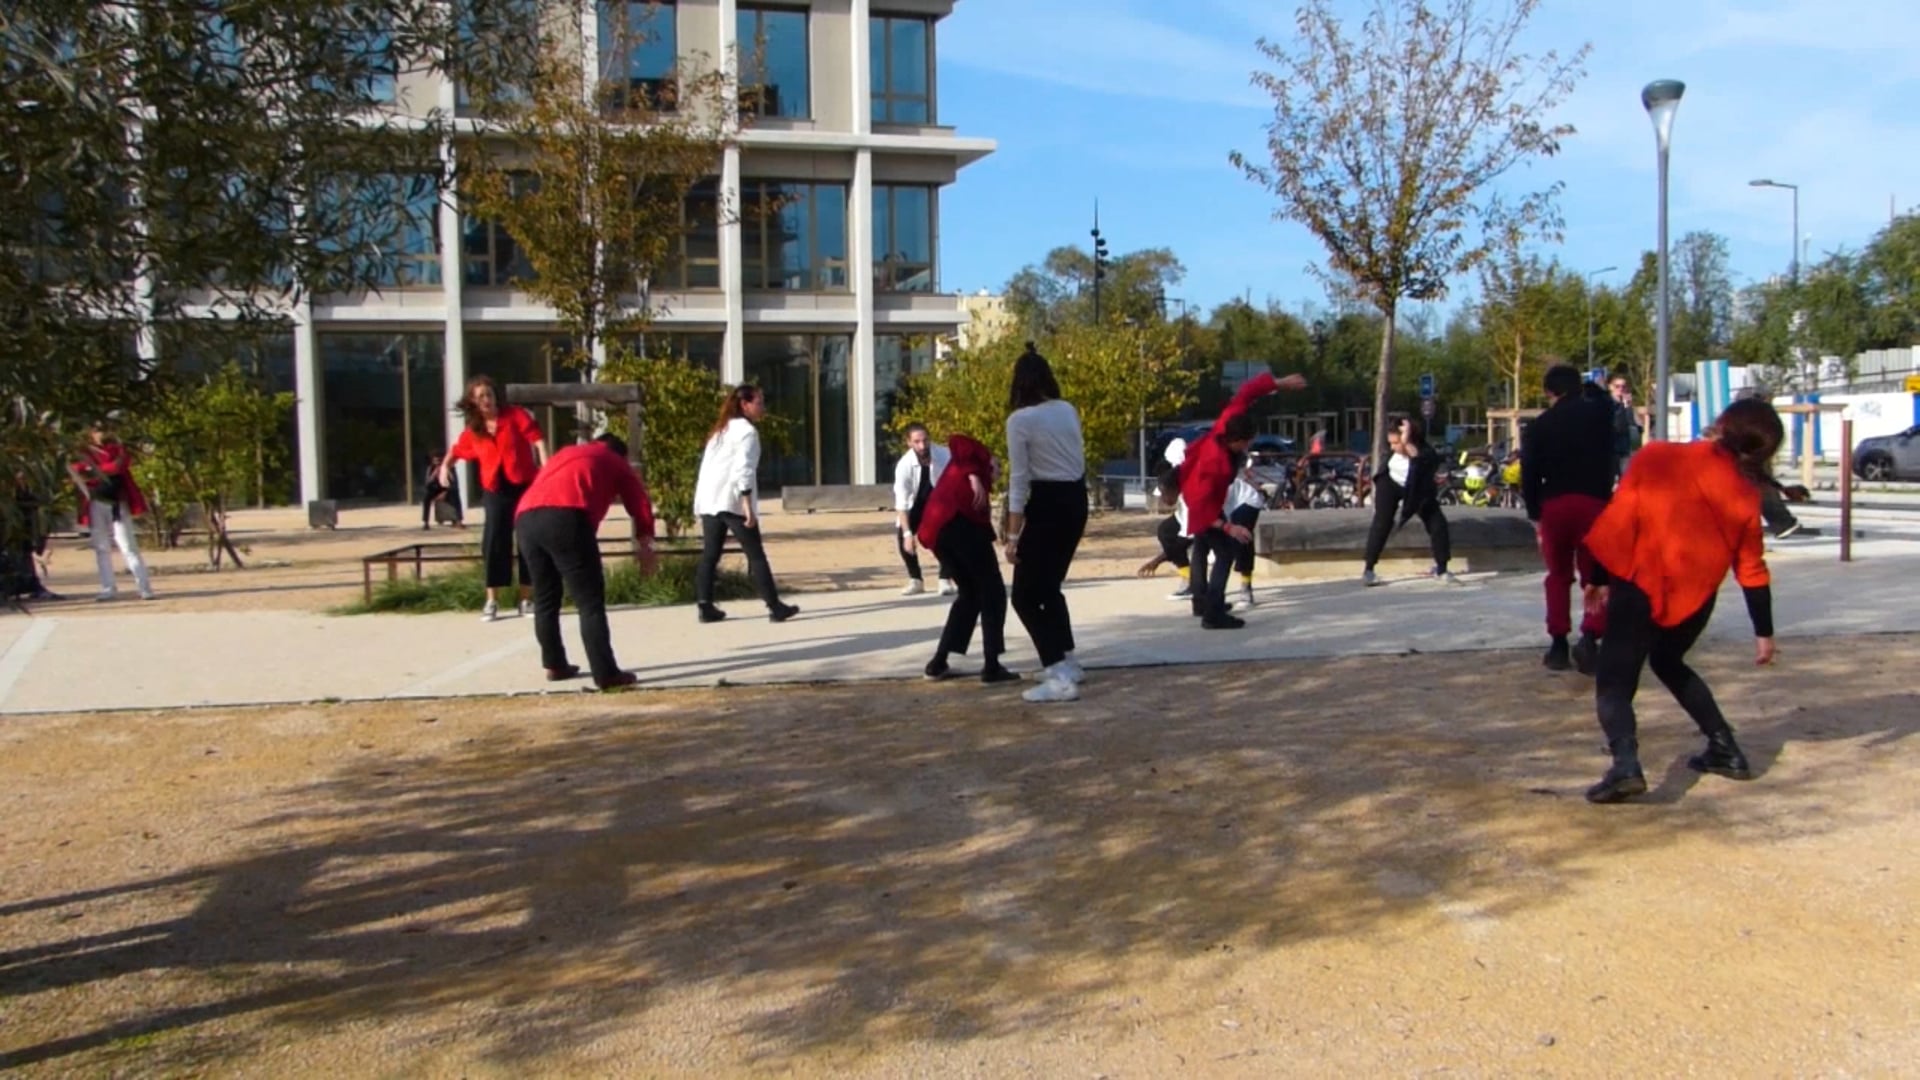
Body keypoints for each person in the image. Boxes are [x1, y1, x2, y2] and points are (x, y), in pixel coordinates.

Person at [1579, 398, 1783, 804]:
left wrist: (1598, 578)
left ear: (1721, 424)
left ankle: (1625, 764)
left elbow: (1619, 521)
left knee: (1615, 682)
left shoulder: (1657, 457)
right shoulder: (1747, 494)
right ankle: (1724, 746)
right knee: (1669, 661)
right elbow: (1751, 568)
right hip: (1695, 598)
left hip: (1640, 586)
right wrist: (1764, 633)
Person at [513, 434, 655, 691]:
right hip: (567, 517)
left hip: (525, 519)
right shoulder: (614, 460)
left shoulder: (566, 453)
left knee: (545, 598)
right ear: (621, 453)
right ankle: (606, 673)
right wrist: (645, 544)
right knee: (589, 602)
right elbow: (639, 502)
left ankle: (555, 664)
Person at [1181, 371, 1308, 628]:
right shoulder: (1214, 465)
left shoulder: (1229, 420)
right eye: (1247, 443)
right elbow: (1199, 505)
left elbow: (1247, 392)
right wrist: (1228, 526)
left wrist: (1280, 383)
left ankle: (1206, 602)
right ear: (1236, 441)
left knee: (1208, 546)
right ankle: (1212, 614)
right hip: (1198, 498)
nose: (1249, 447)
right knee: (1225, 551)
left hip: (1206, 498)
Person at [1004, 343, 1089, 703]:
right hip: (1076, 499)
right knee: (1050, 587)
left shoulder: (1020, 421)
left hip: (1047, 502)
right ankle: (1067, 659)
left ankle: (1058, 673)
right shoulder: (1067, 410)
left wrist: (1012, 535)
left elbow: (1019, 480)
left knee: (1024, 596)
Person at [1523, 364, 1618, 674]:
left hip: (1555, 504)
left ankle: (1558, 643)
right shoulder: (1599, 416)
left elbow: (1529, 474)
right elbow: (1608, 407)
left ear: (1549, 392)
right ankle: (1590, 635)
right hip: (1594, 503)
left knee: (1558, 575)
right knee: (1596, 575)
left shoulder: (1539, 426)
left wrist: (1535, 513)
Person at [438, 375, 548, 621]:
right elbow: (456, 451)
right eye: (480, 397)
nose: (486, 400)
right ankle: (492, 601)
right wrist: (445, 467)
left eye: (489, 394)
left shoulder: (515, 415)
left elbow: (538, 440)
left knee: (528, 540)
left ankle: (526, 599)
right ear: (473, 402)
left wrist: (546, 469)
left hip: (524, 485)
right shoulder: (474, 430)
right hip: (495, 489)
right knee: (494, 541)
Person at [916, 434, 1021, 686]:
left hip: (938, 533)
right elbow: (958, 441)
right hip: (955, 526)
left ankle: (938, 663)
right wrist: (974, 473)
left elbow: (983, 527)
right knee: (993, 593)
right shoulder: (972, 463)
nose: (997, 472)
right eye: (997, 465)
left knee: (971, 594)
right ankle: (992, 666)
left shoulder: (975, 486)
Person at [692, 384, 799, 624]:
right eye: (758, 403)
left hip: (710, 499)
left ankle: (705, 605)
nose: (762, 408)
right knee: (756, 554)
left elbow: (707, 469)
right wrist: (747, 505)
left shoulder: (720, 431)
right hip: (733, 500)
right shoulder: (747, 433)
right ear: (745, 405)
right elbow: (744, 470)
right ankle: (774, 606)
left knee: (710, 554)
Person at [1361, 416, 1455, 587]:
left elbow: (1418, 459)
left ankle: (1442, 569)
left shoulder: (1426, 453)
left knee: (1437, 523)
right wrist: (1401, 443)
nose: (1393, 447)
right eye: (1390, 443)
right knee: (1382, 521)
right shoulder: (1393, 455)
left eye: (1396, 443)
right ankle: (1369, 569)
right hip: (1390, 483)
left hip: (1417, 490)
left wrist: (1406, 442)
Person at [68, 422, 154, 602]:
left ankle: (144, 587)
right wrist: (93, 471)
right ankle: (108, 588)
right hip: (96, 502)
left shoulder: (117, 449)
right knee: (101, 548)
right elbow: (77, 471)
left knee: (128, 546)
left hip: (116, 503)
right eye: (96, 430)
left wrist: (94, 470)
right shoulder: (85, 452)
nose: (100, 433)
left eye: (102, 430)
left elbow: (117, 466)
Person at [891, 423, 954, 597]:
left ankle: (945, 579)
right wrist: (907, 534)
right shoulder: (904, 465)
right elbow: (901, 503)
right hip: (916, 503)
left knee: (946, 538)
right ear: (909, 443)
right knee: (903, 537)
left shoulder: (945, 455)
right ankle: (916, 579)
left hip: (940, 503)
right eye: (917, 442)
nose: (922, 446)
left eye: (925, 440)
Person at [1137, 438, 1194, 599]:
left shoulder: (1189, 497)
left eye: (1164, 494)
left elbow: (1184, 540)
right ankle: (1188, 578)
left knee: (1206, 547)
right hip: (1197, 516)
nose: (1162, 500)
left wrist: (1156, 561)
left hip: (1233, 509)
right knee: (1166, 531)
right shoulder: (1177, 482)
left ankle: (1198, 587)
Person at [1607, 371, 1643, 479]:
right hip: (1610, 449)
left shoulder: (1627, 405)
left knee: (1626, 479)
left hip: (1625, 449)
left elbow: (1636, 426)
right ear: (1610, 387)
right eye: (1617, 386)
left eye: (1623, 386)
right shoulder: (1606, 404)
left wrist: (1629, 407)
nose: (1621, 389)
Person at [421, 452, 464, 530]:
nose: (438, 463)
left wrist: (448, 470)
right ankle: (425, 522)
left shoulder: (450, 468)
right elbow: (427, 483)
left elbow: (454, 483)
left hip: (447, 489)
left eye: (440, 461)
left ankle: (459, 520)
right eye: (436, 461)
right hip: (435, 489)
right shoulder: (430, 468)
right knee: (426, 498)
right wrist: (434, 474)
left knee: (455, 495)